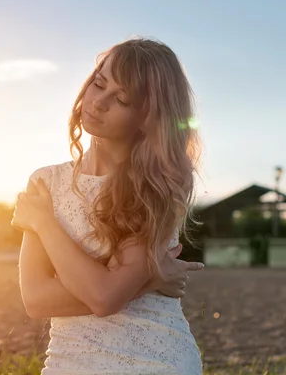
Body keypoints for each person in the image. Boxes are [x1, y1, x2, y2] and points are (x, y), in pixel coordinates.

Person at [12, 37, 204, 374]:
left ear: (148, 118)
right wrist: (151, 280)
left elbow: (104, 298)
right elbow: (37, 299)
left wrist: (45, 224)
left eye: (121, 100)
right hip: (67, 360)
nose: (97, 102)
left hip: (157, 361)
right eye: (98, 84)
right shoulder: (45, 182)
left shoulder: (156, 185)